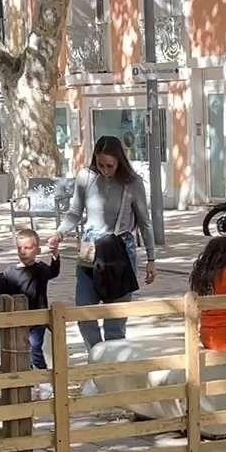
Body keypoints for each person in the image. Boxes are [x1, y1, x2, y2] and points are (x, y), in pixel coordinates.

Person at [46, 135, 157, 348]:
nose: (105, 170)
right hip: (89, 246)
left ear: (119, 162)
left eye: (110, 165)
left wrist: (151, 259)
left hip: (121, 249)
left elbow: (145, 222)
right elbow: (74, 213)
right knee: (84, 311)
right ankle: (96, 358)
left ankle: (111, 366)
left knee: (115, 320)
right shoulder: (86, 177)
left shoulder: (132, 183)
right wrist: (58, 234)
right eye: (100, 164)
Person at [0, 228, 61, 372]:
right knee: (21, 350)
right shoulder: (10, 272)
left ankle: (43, 376)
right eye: (20, 248)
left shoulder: (40, 269)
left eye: (27, 248)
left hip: (38, 319)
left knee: (34, 347)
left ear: (37, 249)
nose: (23, 252)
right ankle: (28, 378)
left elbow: (54, 272)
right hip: (18, 319)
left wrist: (55, 254)